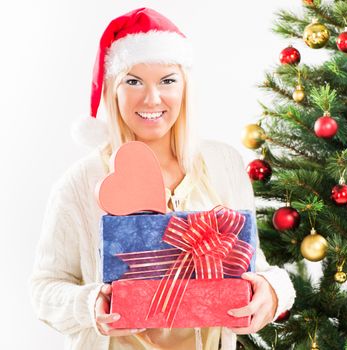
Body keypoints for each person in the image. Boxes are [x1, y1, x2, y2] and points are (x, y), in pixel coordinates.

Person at [30, 7, 295, 350]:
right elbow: (44, 288)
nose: (152, 98)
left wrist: (273, 292)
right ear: (113, 89)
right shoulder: (81, 182)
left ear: (185, 86)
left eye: (167, 80)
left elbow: (255, 266)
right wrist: (90, 304)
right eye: (133, 81)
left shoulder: (223, 163)